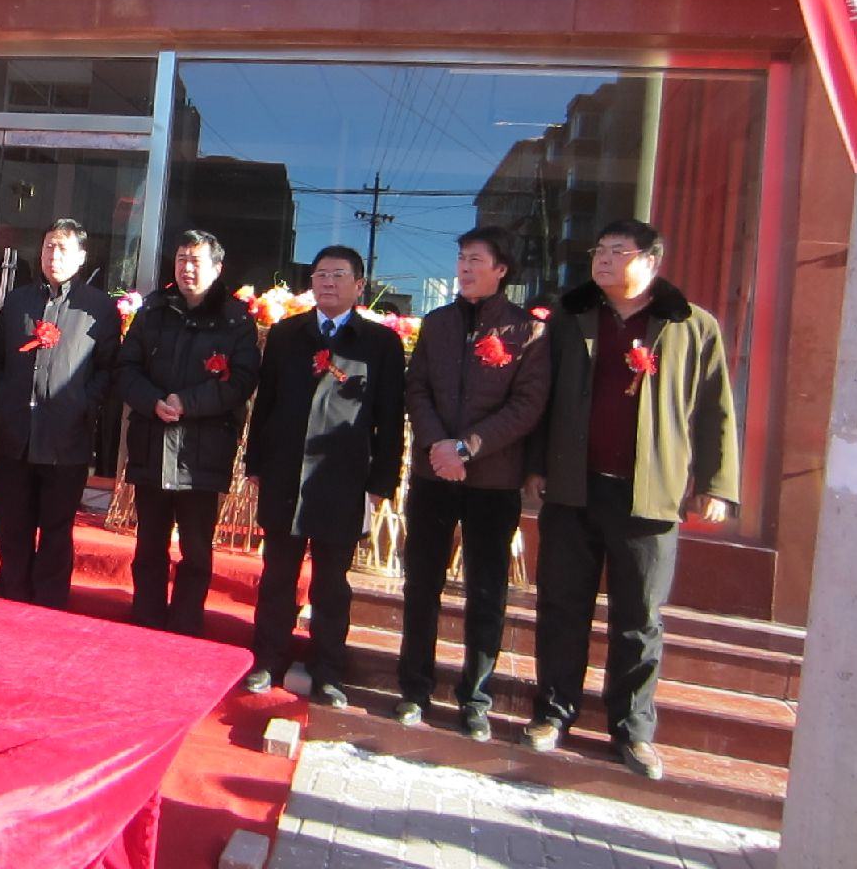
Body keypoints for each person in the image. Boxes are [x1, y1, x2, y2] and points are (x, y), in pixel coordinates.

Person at [521, 219, 739, 781]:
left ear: (651, 261)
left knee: (639, 617)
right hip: (573, 488)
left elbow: (715, 407)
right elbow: (542, 397)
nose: (603, 259)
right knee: (561, 606)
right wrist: (537, 465)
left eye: (618, 250)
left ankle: (632, 730)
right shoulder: (570, 318)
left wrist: (717, 482)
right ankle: (553, 713)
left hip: (649, 496)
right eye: (599, 250)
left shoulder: (691, 325)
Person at [395, 226, 550, 739]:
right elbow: (417, 389)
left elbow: (527, 407)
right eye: (461, 258)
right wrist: (439, 446)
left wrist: (466, 448)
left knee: (486, 591)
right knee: (422, 584)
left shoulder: (528, 331)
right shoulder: (438, 323)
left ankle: (475, 698)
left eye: (476, 260)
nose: (464, 267)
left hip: (492, 481)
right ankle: (414, 688)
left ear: (501, 270)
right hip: (433, 474)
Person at [242, 245, 404, 707]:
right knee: (278, 575)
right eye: (320, 275)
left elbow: (390, 419)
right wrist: (255, 463)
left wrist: (381, 483)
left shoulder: (380, 344)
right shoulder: (286, 334)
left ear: (359, 285)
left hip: (343, 480)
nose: (328, 282)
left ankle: (328, 670)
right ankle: (268, 660)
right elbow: (266, 404)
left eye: (338, 275)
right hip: (285, 474)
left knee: (332, 583)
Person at [117, 230, 260, 637]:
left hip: (202, 453)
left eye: (196, 261)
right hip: (152, 441)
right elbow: (126, 368)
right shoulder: (153, 310)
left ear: (217, 268)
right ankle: (145, 619)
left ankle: (185, 625)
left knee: (196, 549)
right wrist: (152, 401)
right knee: (149, 544)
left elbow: (242, 381)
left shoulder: (235, 320)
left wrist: (188, 403)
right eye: (181, 259)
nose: (186, 268)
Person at [0, 219, 118, 608]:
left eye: (62, 248)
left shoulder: (98, 308)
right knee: (12, 523)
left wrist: (82, 403)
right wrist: (4, 397)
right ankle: (12, 594)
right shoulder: (17, 301)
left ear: (81, 257)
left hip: (66, 437)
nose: (53, 256)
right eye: (48, 247)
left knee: (56, 529)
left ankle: (49, 603)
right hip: (17, 433)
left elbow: (109, 369)